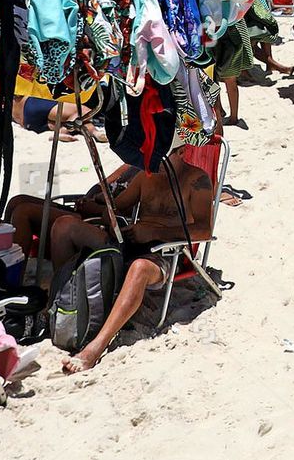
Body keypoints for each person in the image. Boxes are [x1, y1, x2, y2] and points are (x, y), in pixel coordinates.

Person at [35, 148, 217, 373]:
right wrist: (111, 220)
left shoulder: (197, 181)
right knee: (64, 226)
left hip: (166, 253)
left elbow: (204, 231)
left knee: (139, 267)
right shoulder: (145, 176)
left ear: (180, 152)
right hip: (130, 240)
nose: (153, 161)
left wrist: (153, 232)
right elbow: (115, 209)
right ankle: (60, 305)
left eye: (160, 154)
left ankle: (96, 348)